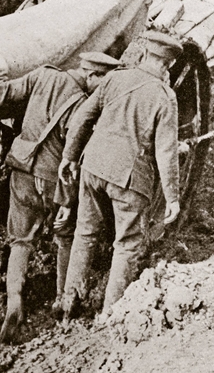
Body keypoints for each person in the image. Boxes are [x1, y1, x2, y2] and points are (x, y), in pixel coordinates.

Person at [0, 51, 120, 342]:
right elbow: (74, 158)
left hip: (22, 170)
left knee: (21, 239)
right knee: (65, 236)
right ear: (91, 75)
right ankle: (61, 300)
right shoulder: (83, 107)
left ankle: (14, 303)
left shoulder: (43, 75)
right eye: (103, 81)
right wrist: (67, 200)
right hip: (53, 181)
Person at [58, 31, 183, 320]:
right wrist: (172, 196)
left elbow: (82, 118)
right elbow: (166, 151)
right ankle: (110, 316)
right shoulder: (165, 96)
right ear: (167, 65)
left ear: (144, 54)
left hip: (92, 167)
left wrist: (69, 157)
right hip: (128, 179)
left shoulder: (114, 78)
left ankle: (68, 304)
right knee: (127, 244)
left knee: (84, 232)